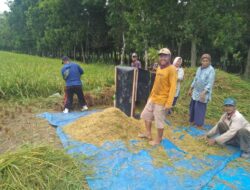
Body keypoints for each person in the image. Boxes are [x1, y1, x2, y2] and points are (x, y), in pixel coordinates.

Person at [139, 48, 177, 146]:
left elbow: (173, 87)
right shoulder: (160, 67)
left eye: (165, 55)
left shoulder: (172, 69)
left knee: (159, 122)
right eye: (161, 56)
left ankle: (158, 140)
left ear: (169, 57)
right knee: (145, 115)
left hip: (162, 100)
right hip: (153, 98)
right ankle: (148, 133)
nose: (162, 58)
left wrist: (169, 103)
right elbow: (156, 84)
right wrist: (150, 96)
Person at [188, 54, 215, 128]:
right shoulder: (199, 68)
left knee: (199, 108)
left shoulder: (211, 70)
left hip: (204, 92)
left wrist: (204, 92)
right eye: (203, 61)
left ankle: (199, 123)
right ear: (201, 61)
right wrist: (191, 88)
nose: (205, 62)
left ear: (209, 62)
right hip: (196, 91)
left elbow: (210, 83)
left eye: (207, 61)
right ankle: (192, 120)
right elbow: (195, 79)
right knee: (193, 106)